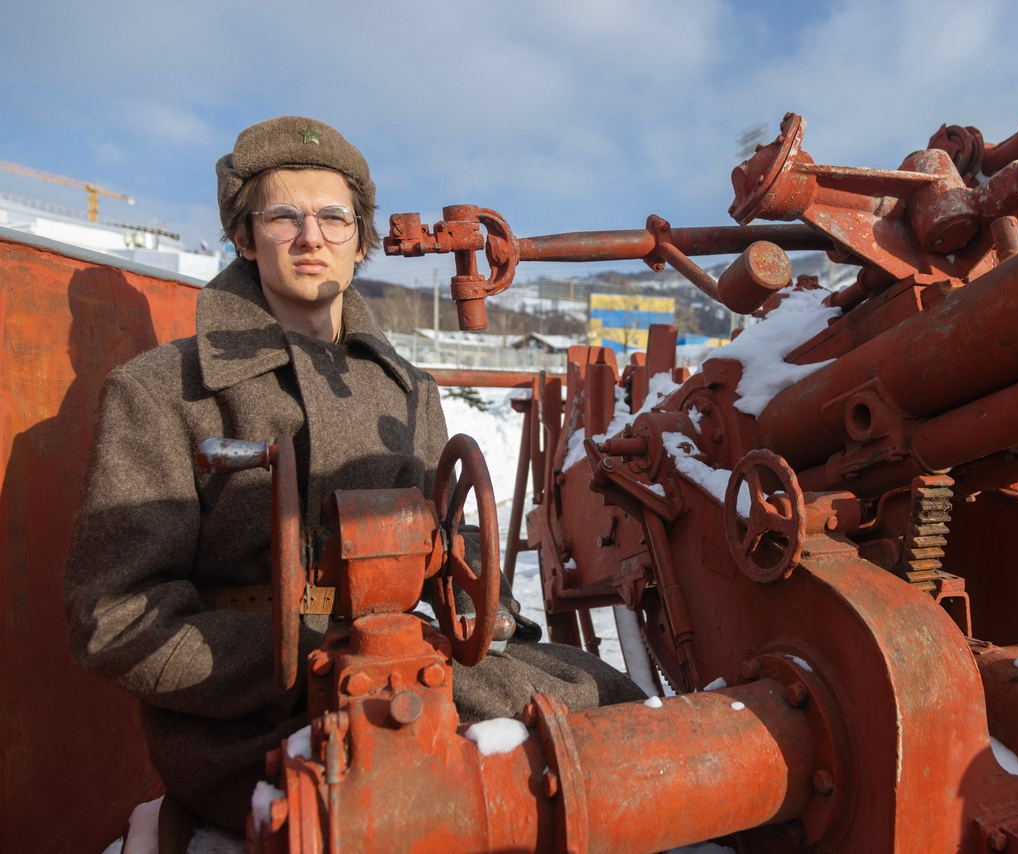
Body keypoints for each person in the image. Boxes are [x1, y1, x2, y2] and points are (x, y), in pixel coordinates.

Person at [62, 116, 644, 835]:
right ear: (244, 237)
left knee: (608, 709)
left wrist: (478, 605)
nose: (312, 237)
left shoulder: (409, 392)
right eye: (284, 216)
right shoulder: (162, 391)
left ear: (361, 241)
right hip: (246, 724)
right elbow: (115, 616)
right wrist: (299, 657)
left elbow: (456, 546)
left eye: (334, 218)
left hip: (410, 668)